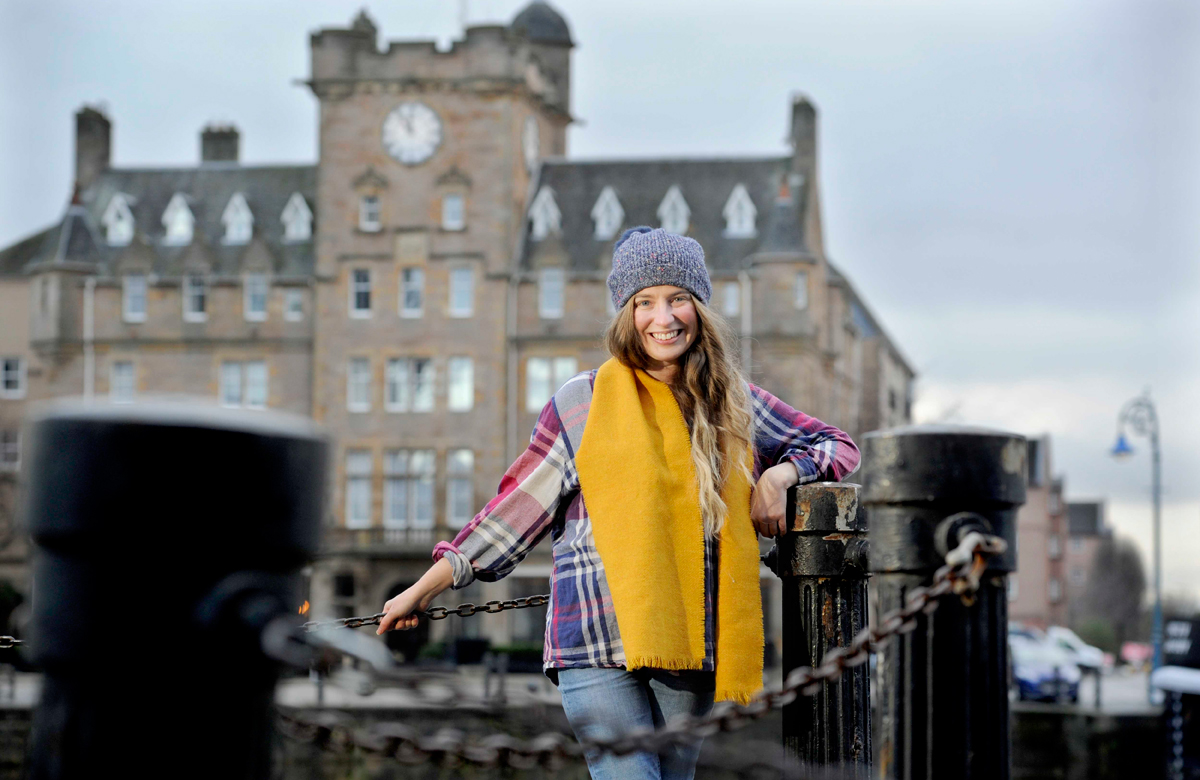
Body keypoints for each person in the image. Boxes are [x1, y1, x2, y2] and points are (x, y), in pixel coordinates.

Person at [377, 226, 860, 779]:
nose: (664, 317)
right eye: (645, 302)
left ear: (699, 307)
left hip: (689, 638)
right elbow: (515, 512)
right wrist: (421, 590)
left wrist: (781, 473)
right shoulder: (581, 401)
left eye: (678, 298)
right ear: (625, 314)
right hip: (593, 636)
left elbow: (838, 446)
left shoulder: (735, 402)